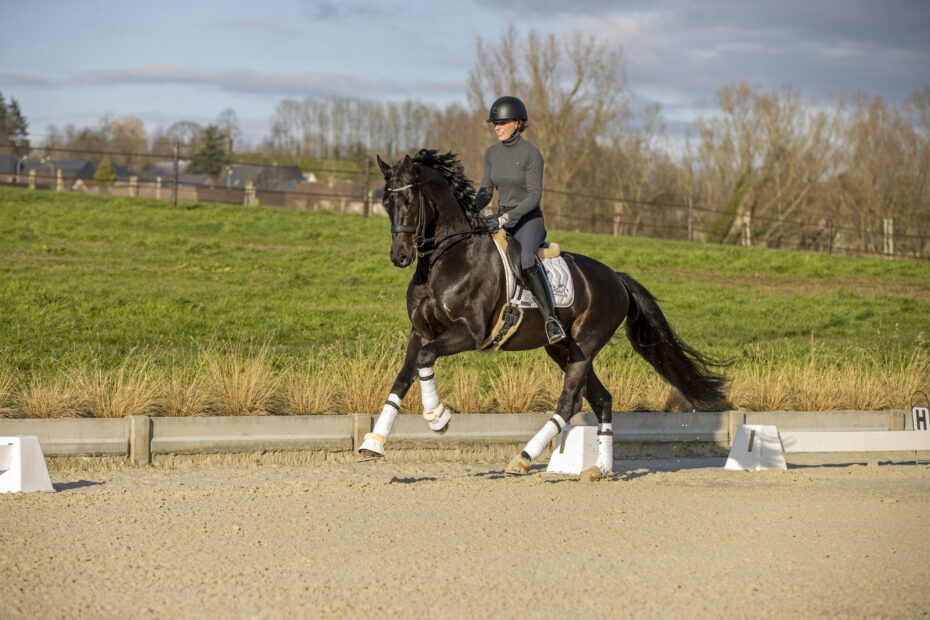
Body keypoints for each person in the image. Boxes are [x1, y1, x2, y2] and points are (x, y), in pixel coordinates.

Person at [475, 96, 567, 344]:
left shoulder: (531, 155)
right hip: (502, 219)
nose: (497, 127)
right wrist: (471, 210)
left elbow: (534, 196)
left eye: (502, 122)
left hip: (528, 220)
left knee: (526, 260)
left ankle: (551, 320)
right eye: (495, 123)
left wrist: (504, 218)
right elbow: (485, 191)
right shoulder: (491, 153)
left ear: (517, 123)